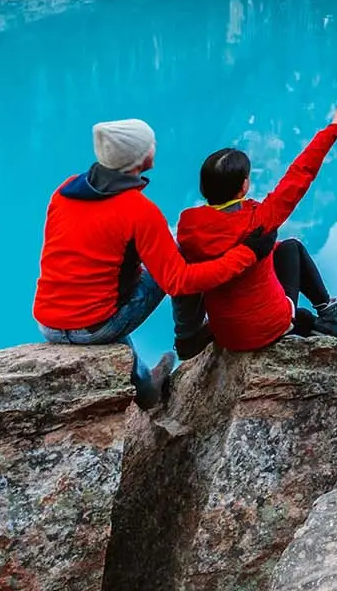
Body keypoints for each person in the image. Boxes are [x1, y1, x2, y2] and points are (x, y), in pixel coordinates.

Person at [33, 117, 268, 406]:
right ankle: (189, 334)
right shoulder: (139, 211)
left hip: (48, 320)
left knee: (129, 270)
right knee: (181, 250)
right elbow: (178, 281)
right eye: (151, 144)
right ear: (141, 157)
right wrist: (247, 254)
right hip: (94, 327)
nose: (155, 147)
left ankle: (144, 387)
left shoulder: (67, 188)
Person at [172, 96, 337, 359]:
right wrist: (335, 124)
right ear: (243, 187)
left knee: (278, 258)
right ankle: (333, 320)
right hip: (268, 326)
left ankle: (318, 323)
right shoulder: (259, 219)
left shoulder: (189, 228)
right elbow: (301, 173)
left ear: (204, 189)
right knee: (291, 248)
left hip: (226, 333)